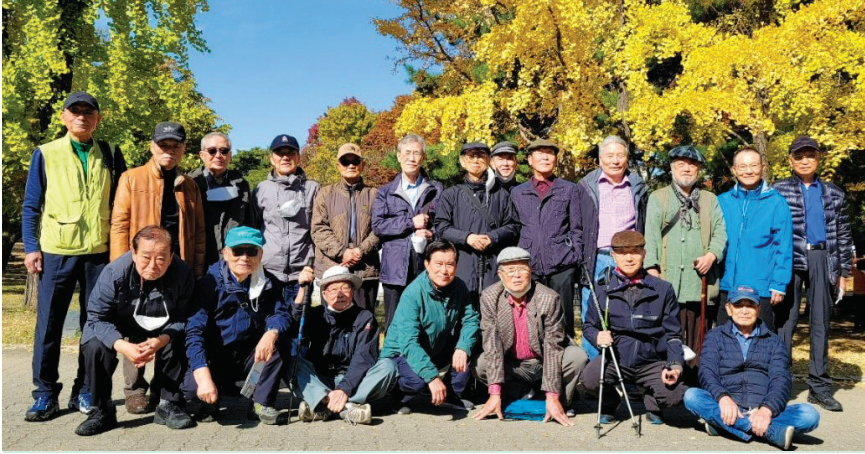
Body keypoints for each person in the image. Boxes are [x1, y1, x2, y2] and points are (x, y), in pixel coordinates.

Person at [22, 92, 127, 420]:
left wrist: (120, 251)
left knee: (93, 325)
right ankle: (44, 393)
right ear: (63, 117)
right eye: (75, 111)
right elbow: (31, 206)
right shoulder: (46, 154)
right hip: (56, 252)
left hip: (99, 254)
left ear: (98, 118)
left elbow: (121, 207)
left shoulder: (110, 153)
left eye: (88, 112)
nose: (81, 116)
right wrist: (30, 247)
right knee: (50, 325)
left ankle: (85, 389)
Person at [110, 121, 206, 414]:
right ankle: (135, 389)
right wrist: (120, 268)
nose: (169, 150)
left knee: (170, 327)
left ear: (183, 150)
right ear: (152, 147)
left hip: (177, 268)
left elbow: (199, 232)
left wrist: (196, 269)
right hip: (140, 266)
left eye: (175, 145)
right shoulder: (132, 178)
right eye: (163, 145)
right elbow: (119, 225)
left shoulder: (188, 185)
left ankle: (164, 388)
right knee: (136, 326)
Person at [75, 226, 196, 436]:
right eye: (146, 257)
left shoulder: (183, 273)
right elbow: (95, 316)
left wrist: (161, 340)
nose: (152, 265)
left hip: (162, 321)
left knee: (182, 337)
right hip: (118, 321)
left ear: (171, 257)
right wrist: (122, 345)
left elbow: (183, 316)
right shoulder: (114, 272)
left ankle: (168, 403)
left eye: (161, 258)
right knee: (94, 344)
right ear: (134, 254)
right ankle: (101, 410)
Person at [684, 285, 821, 451]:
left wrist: (766, 410)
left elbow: (781, 379)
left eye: (750, 305)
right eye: (738, 305)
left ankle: (724, 425)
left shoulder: (774, 341)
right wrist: (723, 398)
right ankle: (768, 431)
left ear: (758, 309)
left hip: (761, 407)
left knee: (810, 415)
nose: (744, 310)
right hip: (727, 405)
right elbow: (707, 372)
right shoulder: (714, 336)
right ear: (728, 309)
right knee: (692, 396)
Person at [772, 136, 852, 412]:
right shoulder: (777, 190)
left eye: (810, 155)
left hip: (822, 258)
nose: (804, 160)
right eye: (799, 156)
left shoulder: (834, 193)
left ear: (819, 159)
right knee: (785, 323)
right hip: (789, 258)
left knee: (821, 324)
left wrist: (843, 272)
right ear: (790, 160)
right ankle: (779, 386)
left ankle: (819, 388)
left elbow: (843, 235)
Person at [183, 227, 290, 425]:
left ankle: (260, 402)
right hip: (216, 356)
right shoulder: (208, 283)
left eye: (251, 251)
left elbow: (280, 314)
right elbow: (194, 331)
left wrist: (270, 334)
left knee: (279, 344)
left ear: (260, 254)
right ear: (225, 253)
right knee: (191, 387)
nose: (244, 257)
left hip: (251, 355)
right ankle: (211, 399)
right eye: (237, 251)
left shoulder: (268, 282)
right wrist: (203, 375)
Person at [472, 247, 588, 426]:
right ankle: (514, 395)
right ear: (500, 274)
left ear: (530, 271)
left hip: (543, 361)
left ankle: (557, 401)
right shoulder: (489, 297)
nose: (516, 275)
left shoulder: (549, 298)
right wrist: (494, 393)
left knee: (576, 357)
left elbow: (552, 347)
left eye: (522, 269)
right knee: (480, 363)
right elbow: (492, 344)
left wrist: (552, 395)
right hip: (512, 364)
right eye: (510, 270)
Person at [581, 230, 687, 426]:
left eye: (635, 251)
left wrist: (674, 364)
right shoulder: (601, 288)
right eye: (622, 252)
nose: (628, 258)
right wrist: (597, 337)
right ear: (613, 255)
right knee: (589, 379)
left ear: (644, 254)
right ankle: (610, 402)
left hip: (651, 360)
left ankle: (652, 400)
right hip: (616, 358)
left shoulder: (663, 289)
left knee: (674, 395)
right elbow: (588, 326)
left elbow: (673, 335)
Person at [644, 145, 726, 368]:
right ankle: (670, 376)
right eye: (681, 165)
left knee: (700, 333)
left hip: (700, 281)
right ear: (672, 168)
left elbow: (720, 232)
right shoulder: (658, 198)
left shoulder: (710, 199)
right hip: (668, 281)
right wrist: (652, 271)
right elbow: (650, 236)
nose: (687, 169)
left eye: (692, 165)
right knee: (669, 331)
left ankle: (698, 378)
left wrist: (711, 255)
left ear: (698, 170)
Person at [379, 240, 481, 414]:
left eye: (450, 264)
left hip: (434, 345)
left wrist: (462, 347)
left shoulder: (459, 287)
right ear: (427, 264)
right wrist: (432, 377)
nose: (444, 270)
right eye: (438, 264)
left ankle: (451, 393)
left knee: (471, 341)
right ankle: (396, 395)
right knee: (418, 381)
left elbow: (471, 319)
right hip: (401, 353)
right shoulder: (413, 294)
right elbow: (409, 343)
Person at [289, 265, 398, 425]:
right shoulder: (316, 314)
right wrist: (302, 289)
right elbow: (293, 323)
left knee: (388, 366)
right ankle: (347, 409)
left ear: (352, 292)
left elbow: (364, 358)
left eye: (345, 288)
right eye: (333, 289)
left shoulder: (364, 317)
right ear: (324, 294)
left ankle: (322, 405)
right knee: (290, 361)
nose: (339, 294)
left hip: (354, 381)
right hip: (320, 379)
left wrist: (344, 389)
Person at [577, 135, 649, 360]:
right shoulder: (585, 187)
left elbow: (644, 221)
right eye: (610, 156)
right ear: (600, 159)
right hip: (596, 257)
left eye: (620, 155)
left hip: (628, 257)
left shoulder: (637, 187)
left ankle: (623, 368)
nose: (615, 161)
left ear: (627, 159)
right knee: (593, 313)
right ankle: (590, 372)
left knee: (626, 312)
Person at [510, 138, 582, 338]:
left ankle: (566, 361)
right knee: (531, 319)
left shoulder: (569, 189)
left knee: (563, 319)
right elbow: (514, 228)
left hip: (562, 265)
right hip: (529, 265)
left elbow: (577, 227)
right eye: (540, 153)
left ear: (556, 159)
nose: (545, 157)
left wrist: (574, 257)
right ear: (530, 160)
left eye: (550, 153)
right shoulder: (518, 192)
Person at [716, 147, 792, 331]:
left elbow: (784, 245)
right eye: (742, 166)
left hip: (761, 287)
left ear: (762, 167)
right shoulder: (722, 201)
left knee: (761, 342)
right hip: (727, 285)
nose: (748, 171)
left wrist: (779, 284)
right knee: (725, 340)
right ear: (734, 170)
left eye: (753, 165)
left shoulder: (776, 202)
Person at [434, 141, 520, 304]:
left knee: (493, 312)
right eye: (470, 156)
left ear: (488, 160)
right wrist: (467, 237)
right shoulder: (451, 194)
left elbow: (513, 226)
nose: (475, 160)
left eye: (480, 156)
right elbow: (441, 227)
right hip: (462, 262)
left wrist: (493, 237)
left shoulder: (501, 195)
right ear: (462, 161)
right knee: (463, 314)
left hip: (493, 264)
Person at [372, 134, 443, 330]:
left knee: (426, 320)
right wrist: (410, 222)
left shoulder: (436, 189)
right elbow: (378, 226)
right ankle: (393, 360)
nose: (412, 158)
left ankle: (422, 360)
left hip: (426, 267)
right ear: (398, 156)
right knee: (395, 323)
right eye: (407, 153)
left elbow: (444, 224)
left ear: (423, 158)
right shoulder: (385, 192)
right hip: (395, 269)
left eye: (417, 153)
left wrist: (432, 234)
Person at [251, 133, 319, 305]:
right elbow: (254, 227)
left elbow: (318, 229)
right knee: (270, 323)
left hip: (301, 272)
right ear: (272, 158)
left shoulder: (312, 189)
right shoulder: (262, 189)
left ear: (298, 157)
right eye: (280, 153)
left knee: (297, 325)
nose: (285, 157)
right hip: (268, 271)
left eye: (291, 153)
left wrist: (312, 263)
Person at [311, 143, 380, 311]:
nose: (351, 165)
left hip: (366, 271)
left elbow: (380, 228)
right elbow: (319, 229)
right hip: (333, 269)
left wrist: (360, 251)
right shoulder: (325, 194)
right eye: (345, 161)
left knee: (364, 324)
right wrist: (343, 252)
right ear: (338, 166)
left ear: (362, 165)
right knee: (333, 324)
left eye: (355, 161)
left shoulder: (376, 195)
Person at [188, 131, 253, 268]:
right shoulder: (190, 184)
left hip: (233, 260)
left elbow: (249, 222)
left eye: (224, 151)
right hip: (199, 261)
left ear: (230, 155)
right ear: (202, 155)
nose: (218, 155)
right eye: (212, 151)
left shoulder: (241, 184)